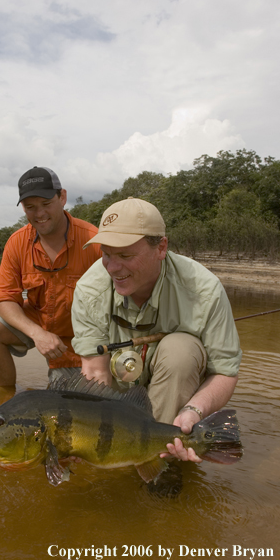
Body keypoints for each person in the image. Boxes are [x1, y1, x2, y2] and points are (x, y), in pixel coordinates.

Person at [71, 197, 241, 473]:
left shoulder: (205, 289)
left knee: (181, 350)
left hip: (176, 386)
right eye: (106, 254)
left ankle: (165, 459)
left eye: (125, 256)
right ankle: (131, 461)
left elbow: (225, 372)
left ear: (161, 247)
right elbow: (94, 371)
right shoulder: (89, 289)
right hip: (119, 393)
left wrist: (194, 412)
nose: (112, 268)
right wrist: (86, 436)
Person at [0, 166, 101, 389]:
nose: (39, 214)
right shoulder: (17, 241)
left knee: (68, 404)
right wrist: (37, 333)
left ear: (62, 197)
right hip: (38, 319)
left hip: (79, 336)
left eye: (46, 204)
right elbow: (3, 297)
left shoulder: (94, 241)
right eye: (30, 207)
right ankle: (4, 397)